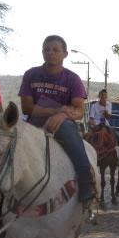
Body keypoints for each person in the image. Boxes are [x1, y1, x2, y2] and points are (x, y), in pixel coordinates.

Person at [18, 35, 95, 205]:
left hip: (62, 123)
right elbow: (27, 108)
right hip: (34, 121)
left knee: (71, 136)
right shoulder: (31, 74)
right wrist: (57, 110)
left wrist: (62, 115)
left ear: (65, 54)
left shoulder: (72, 79)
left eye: (55, 50)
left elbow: (79, 110)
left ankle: (85, 183)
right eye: (46, 49)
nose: (50, 53)